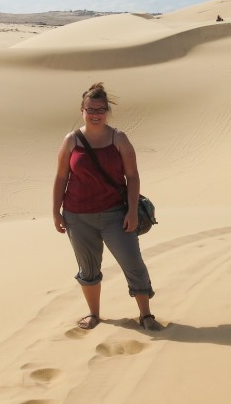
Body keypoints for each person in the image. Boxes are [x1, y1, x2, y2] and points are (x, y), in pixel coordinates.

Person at [53, 82, 160, 331]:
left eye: (100, 109)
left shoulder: (119, 139)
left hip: (115, 215)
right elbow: (61, 177)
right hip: (77, 217)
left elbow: (132, 177)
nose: (95, 114)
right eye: (91, 109)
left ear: (107, 111)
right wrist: (55, 212)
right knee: (88, 268)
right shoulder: (71, 141)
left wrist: (132, 210)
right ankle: (94, 314)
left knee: (133, 263)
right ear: (82, 110)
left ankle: (146, 315)